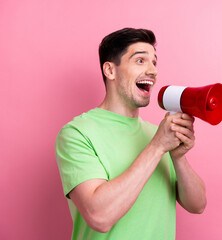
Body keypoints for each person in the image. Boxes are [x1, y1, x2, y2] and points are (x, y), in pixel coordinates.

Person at [55, 28, 207, 240]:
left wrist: (178, 157)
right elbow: (99, 216)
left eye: (154, 62)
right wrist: (157, 147)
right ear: (110, 70)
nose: (152, 71)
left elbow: (198, 205)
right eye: (140, 61)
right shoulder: (76, 134)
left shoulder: (157, 134)